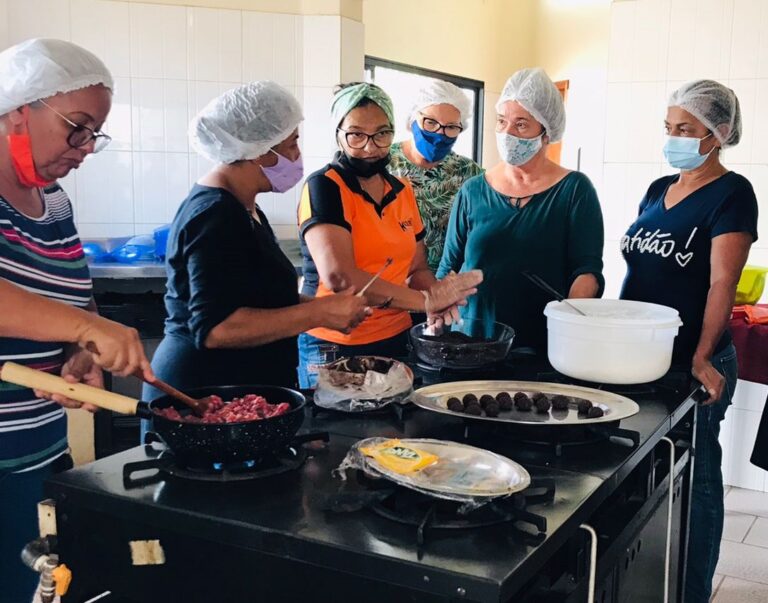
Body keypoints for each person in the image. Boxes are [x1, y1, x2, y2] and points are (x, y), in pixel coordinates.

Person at [0, 38, 153, 603]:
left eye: (95, 134)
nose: (86, 148)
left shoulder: (56, 202)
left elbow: (73, 298)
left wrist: (80, 348)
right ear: (19, 109)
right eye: (77, 128)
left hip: (37, 451)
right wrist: (85, 329)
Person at [144, 81, 370, 406]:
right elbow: (216, 328)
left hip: (240, 387)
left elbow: (257, 296)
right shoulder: (215, 214)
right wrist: (318, 312)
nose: (297, 155)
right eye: (292, 144)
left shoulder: (245, 206)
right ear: (260, 150)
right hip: (203, 395)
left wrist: (325, 309)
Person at [620, 80, 758, 603]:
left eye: (685, 129)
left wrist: (701, 356)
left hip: (693, 361)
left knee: (697, 479)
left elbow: (722, 281)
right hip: (644, 358)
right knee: (649, 477)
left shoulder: (733, 194)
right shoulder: (658, 188)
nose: (673, 138)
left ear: (716, 134)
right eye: (669, 127)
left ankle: (693, 592)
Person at [297, 82, 482, 387]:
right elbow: (340, 277)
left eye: (382, 134)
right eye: (356, 135)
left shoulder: (402, 190)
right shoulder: (325, 186)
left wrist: (439, 295)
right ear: (338, 134)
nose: (370, 147)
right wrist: (426, 301)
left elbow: (417, 268)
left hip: (396, 337)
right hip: (335, 341)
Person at [438, 68, 604, 353]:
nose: (507, 133)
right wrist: (439, 311)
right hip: (471, 339)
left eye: (521, 125)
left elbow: (587, 270)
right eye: (502, 121)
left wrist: (571, 323)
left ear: (546, 133)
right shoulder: (473, 190)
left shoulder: (575, 190)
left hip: (541, 343)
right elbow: (448, 266)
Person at [388, 80, 483, 272]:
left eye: (451, 127)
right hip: (389, 281)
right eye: (430, 122)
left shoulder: (469, 173)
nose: (440, 134)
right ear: (412, 119)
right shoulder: (385, 164)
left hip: (447, 281)